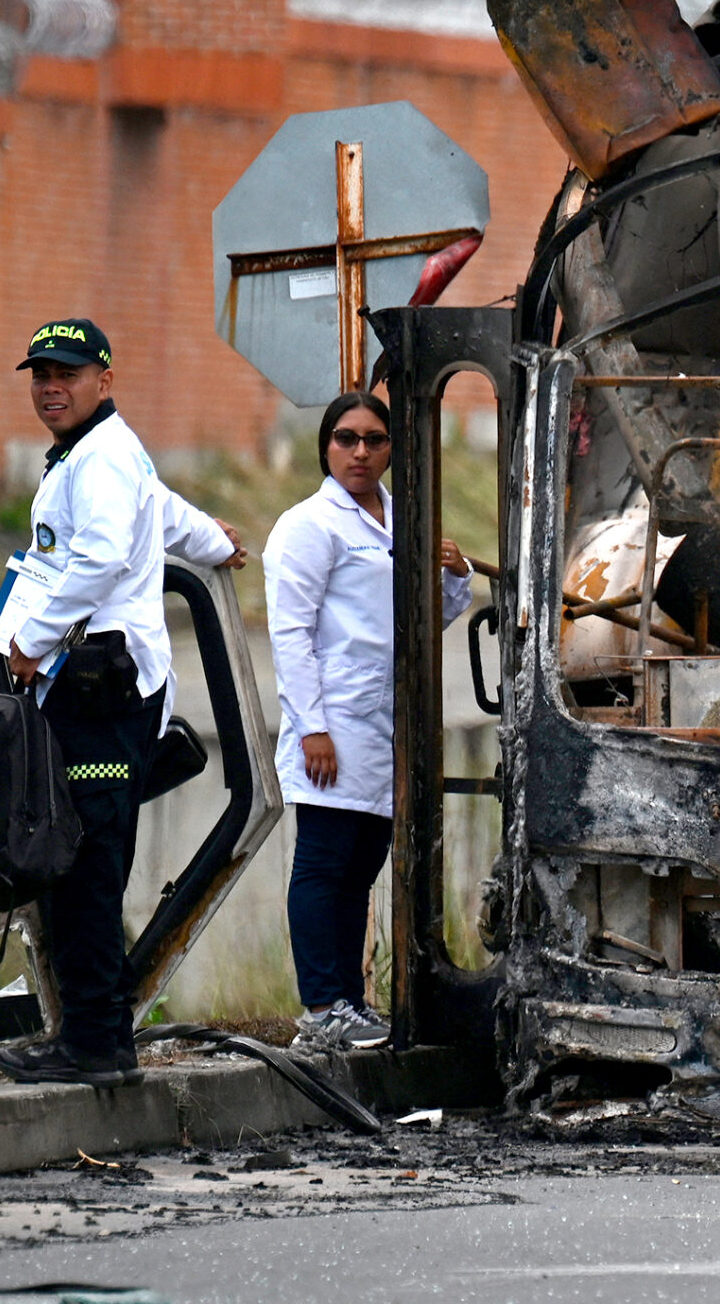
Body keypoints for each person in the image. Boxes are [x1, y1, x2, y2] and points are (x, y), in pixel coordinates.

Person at [0, 317, 245, 1088]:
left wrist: (31, 638)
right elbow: (162, 515)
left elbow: (101, 554)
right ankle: (93, 1036)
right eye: (40, 375)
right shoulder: (100, 454)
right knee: (79, 866)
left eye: (66, 373)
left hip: (102, 690)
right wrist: (216, 542)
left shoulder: (99, 458)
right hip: (100, 687)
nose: (50, 387)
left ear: (105, 380)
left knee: (86, 871)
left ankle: (96, 1044)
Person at [264, 390, 473, 1049]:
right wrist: (313, 729)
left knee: (360, 866)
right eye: (346, 439)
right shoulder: (308, 527)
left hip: (384, 726)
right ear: (325, 447)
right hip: (334, 722)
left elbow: (421, 620)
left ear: (391, 449)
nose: (360, 451)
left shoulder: (398, 521)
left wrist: (455, 574)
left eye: (374, 440)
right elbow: (290, 634)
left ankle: (349, 1005)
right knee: (325, 862)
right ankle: (321, 1008)